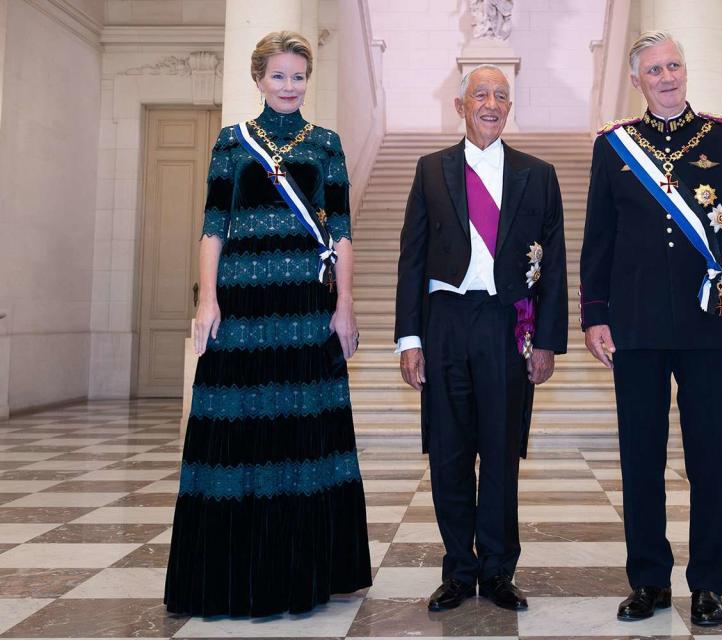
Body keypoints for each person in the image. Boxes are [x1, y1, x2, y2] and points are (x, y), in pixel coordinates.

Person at [165, 31, 371, 617]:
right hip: (244, 309)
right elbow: (213, 226)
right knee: (243, 430)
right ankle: (231, 576)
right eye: (278, 76)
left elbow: (342, 232)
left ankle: (304, 573)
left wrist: (346, 303)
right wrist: (209, 302)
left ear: (308, 80)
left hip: (306, 312)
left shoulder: (326, 144)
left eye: (298, 76)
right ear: (258, 80)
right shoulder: (232, 142)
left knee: (301, 437)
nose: (288, 86)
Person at [580, 31, 722, 627]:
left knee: (710, 456)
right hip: (635, 323)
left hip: (707, 320)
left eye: (674, 66)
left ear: (684, 72)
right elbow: (599, 237)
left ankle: (708, 584)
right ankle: (649, 581)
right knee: (640, 456)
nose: (666, 77)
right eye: (654, 70)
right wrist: (594, 313)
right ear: (636, 81)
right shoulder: (615, 146)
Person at [394, 64, 567, 612]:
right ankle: (457, 569)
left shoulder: (537, 174)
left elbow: (556, 265)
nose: (491, 103)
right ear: (460, 105)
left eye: (501, 95)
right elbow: (411, 259)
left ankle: (497, 571)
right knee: (448, 454)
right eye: (480, 95)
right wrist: (409, 339)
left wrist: (546, 340)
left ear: (509, 107)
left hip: (505, 327)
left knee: (500, 453)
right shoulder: (429, 170)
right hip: (445, 323)